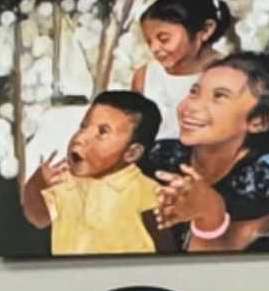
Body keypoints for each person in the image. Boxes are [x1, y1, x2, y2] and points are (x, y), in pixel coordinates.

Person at [140, 51, 269, 255]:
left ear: (260, 121)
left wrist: (209, 212)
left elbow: (213, 262)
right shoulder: (161, 154)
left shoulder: (267, 181)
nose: (190, 106)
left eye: (219, 96)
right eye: (195, 92)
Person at [17, 90, 164, 256]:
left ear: (132, 153)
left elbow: (165, 245)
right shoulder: (62, 180)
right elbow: (37, 218)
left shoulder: (144, 189)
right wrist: (38, 183)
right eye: (84, 126)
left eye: (102, 132)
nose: (81, 138)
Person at [128, 0, 239, 144]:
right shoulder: (144, 76)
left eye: (164, 39)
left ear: (206, 30)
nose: (154, 49)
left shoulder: (232, 73)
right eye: (148, 41)